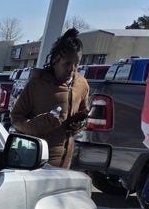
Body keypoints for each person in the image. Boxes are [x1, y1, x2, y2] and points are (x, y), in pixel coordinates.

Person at [10, 29, 91, 168]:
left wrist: (79, 124)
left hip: (64, 163)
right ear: (55, 60)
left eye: (76, 64)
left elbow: (84, 114)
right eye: (67, 64)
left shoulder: (82, 85)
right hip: (35, 162)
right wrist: (44, 122)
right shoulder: (38, 84)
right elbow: (16, 119)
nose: (72, 69)